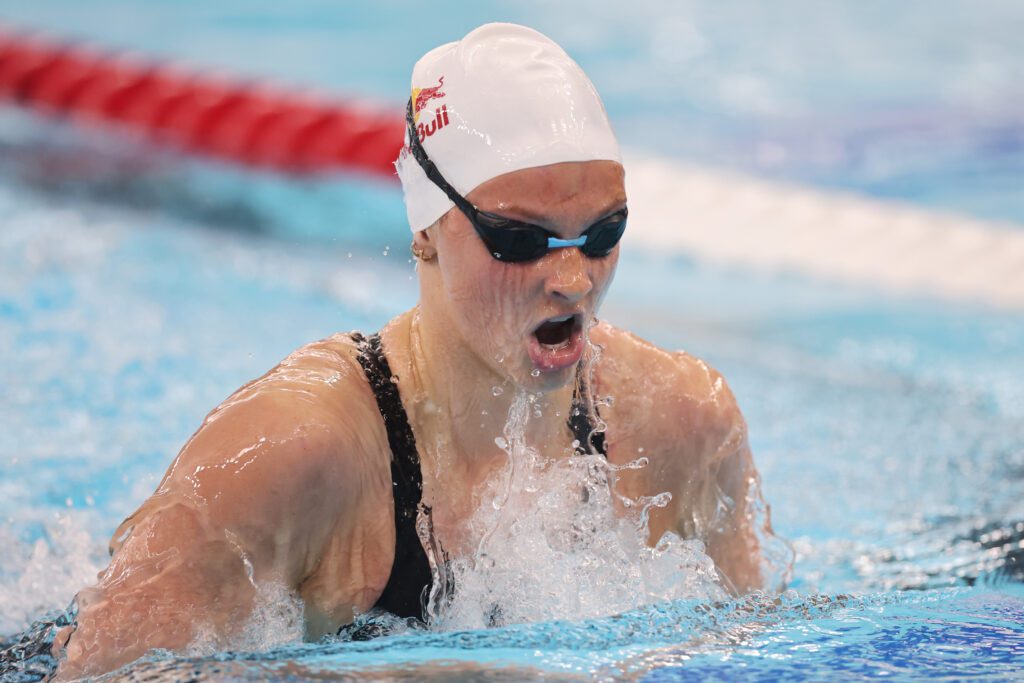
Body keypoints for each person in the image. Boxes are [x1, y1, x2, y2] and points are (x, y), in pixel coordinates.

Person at [53, 22, 787, 679]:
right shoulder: (292, 454)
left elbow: (763, 658)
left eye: (603, 233)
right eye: (520, 239)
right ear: (427, 230)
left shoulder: (684, 423)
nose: (573, 280)